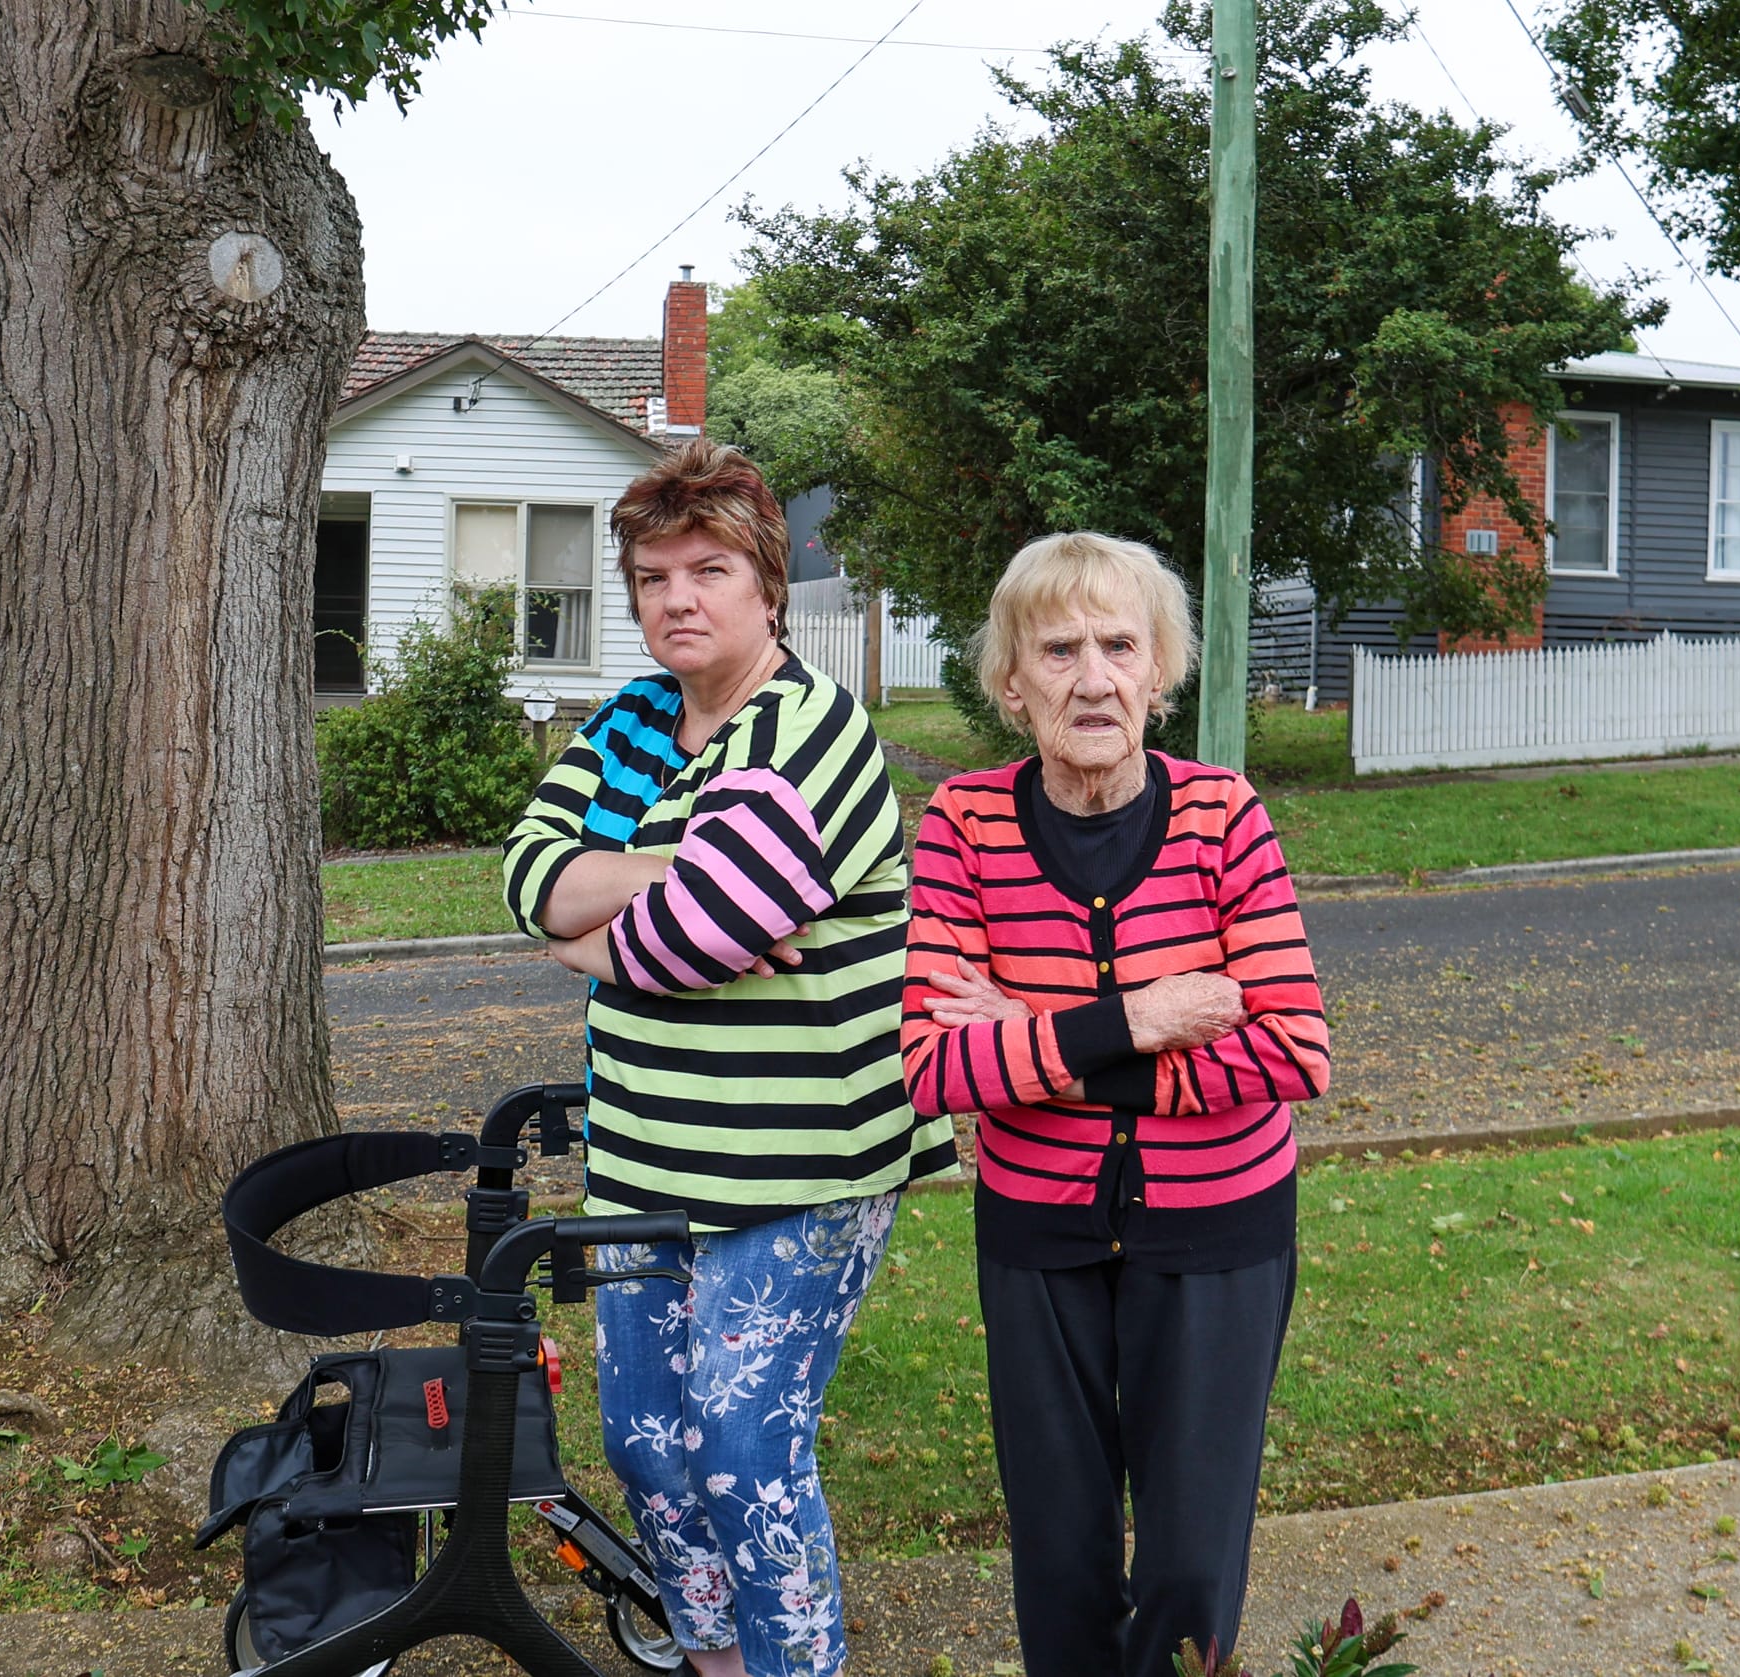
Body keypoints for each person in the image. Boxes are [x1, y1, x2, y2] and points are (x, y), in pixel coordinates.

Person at [504, 438, 957, 1677]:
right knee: (647, 1446)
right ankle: (711, 1660)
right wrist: (670, 869)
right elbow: (528, 876)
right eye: (652, 578)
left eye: (708, 571)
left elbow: (695, 935)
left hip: (801, 1162)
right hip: (644, 1155)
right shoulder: (633, 722)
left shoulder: (811, 728)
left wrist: (597, 928)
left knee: (744, 1448)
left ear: (767, 584)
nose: (677, 600)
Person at [899, 532, 1330, 1677]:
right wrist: (1138, 1017)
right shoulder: (962, 823)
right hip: (1038, 1234)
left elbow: (1292, 1051)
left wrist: (1033, 1034)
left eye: (1117, 647)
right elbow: (933, 1069)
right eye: (1058, 651)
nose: (1091, 679)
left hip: (1217, 1231)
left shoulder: (1221, 815)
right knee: (1060, 1558)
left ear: (1158, 671)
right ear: (1010, 683)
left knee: (1189, 1562)